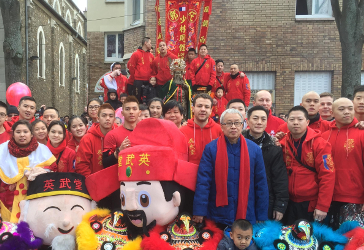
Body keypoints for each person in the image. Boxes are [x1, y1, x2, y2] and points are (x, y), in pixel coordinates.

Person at [193, 109, 269, 227]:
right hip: (218, 212)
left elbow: (261, 183)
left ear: (243, 125)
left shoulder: (254, 149)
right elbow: (203, 182)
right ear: (222, 126)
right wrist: (199, 210)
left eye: (237, 123)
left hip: (246, 211)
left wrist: (261, 214)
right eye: (229, 123)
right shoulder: (211, 149)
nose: (233, 126)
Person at [279, 106, 335, 225]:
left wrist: (322, 206)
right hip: (288, 202)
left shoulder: (320, 144)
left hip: (311, 203)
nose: (296, 123)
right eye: (292, 119)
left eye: (300, 119)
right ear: (287, 121)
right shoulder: (282, 142)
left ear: (307, 122)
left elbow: (327, 176)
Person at [0, 120, 56, 222]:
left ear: (31, 134)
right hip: (9, 197)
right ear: (13, 134)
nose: (22, 135)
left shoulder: (42, 149)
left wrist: (40, 171)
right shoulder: (3, 150)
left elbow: (52, 169)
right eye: (18, 132)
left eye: (25, 132)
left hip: (35, 195)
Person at [321, 98, 364, 229]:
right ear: (332, 112)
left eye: (350, 109)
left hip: (354, 198)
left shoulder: (361, 134)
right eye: (341, 109)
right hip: (327, 199)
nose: (347, 112)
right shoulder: (323, 136)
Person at [243, 106, 289, 221]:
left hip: (265, 200)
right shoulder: (238, 143)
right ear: (247, 120)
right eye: (255, 118)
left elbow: (280, 178)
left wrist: (280, 205)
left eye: (263, 119)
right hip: (241, 199)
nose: (259, 122)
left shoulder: (274, 147)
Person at [180, 93, 222, 165]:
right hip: (190, 174)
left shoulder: (220, 130)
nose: (203, 109)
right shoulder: (182, 131)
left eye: (206, 107)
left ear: (211, 110)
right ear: (193, 108)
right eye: (199, 106)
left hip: (212, 174)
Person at [76, 103, 116, 177]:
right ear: (98, 118)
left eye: (111, 116)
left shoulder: (118, 135)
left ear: (114, 119)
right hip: (95, 182)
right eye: (104, 115)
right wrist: (91, 182)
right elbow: (82, 164)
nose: (107, 118)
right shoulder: (87, 138)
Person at [103, 96, 140, 168]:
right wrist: (119, 151)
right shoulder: (112, 135)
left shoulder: (145, 133)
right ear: (122, 113)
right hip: (120, 176)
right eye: (127, 109)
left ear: (139, 112)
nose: (131, 112)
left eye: (134, 109)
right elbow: (105, 163)